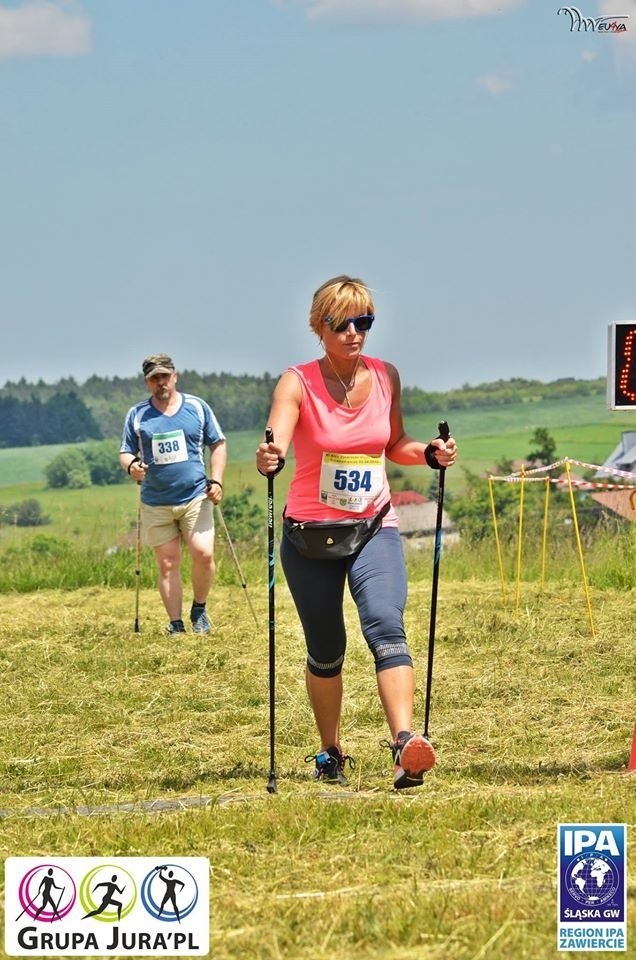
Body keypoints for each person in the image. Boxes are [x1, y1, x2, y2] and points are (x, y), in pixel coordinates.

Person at [256, 275, 457, 790]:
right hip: (311, 536)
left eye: (363, 321)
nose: (354, 332)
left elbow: (395, 442)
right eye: (341, 323)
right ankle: (329, 751)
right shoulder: (296, 382)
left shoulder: (386, 375)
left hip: (374, 526)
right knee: (327, 649)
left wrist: (429, 455)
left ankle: (405, 743)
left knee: (386, 625)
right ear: (318, 326)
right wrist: (270, 454)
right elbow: (277, 432)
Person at [120, 354, 226, 635]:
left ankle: (199, 610)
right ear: (147, 383)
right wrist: (132, 467)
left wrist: (217, 480)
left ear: (175, 376)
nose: (161, 382)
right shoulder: (138, 415)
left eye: (164, 376)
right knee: (167, 563)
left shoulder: (197, 407)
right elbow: (125, 451)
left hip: (195, 495)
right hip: (156, 501)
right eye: (154, 378)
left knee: (203, 554)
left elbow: (218, 444)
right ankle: (175, 624)